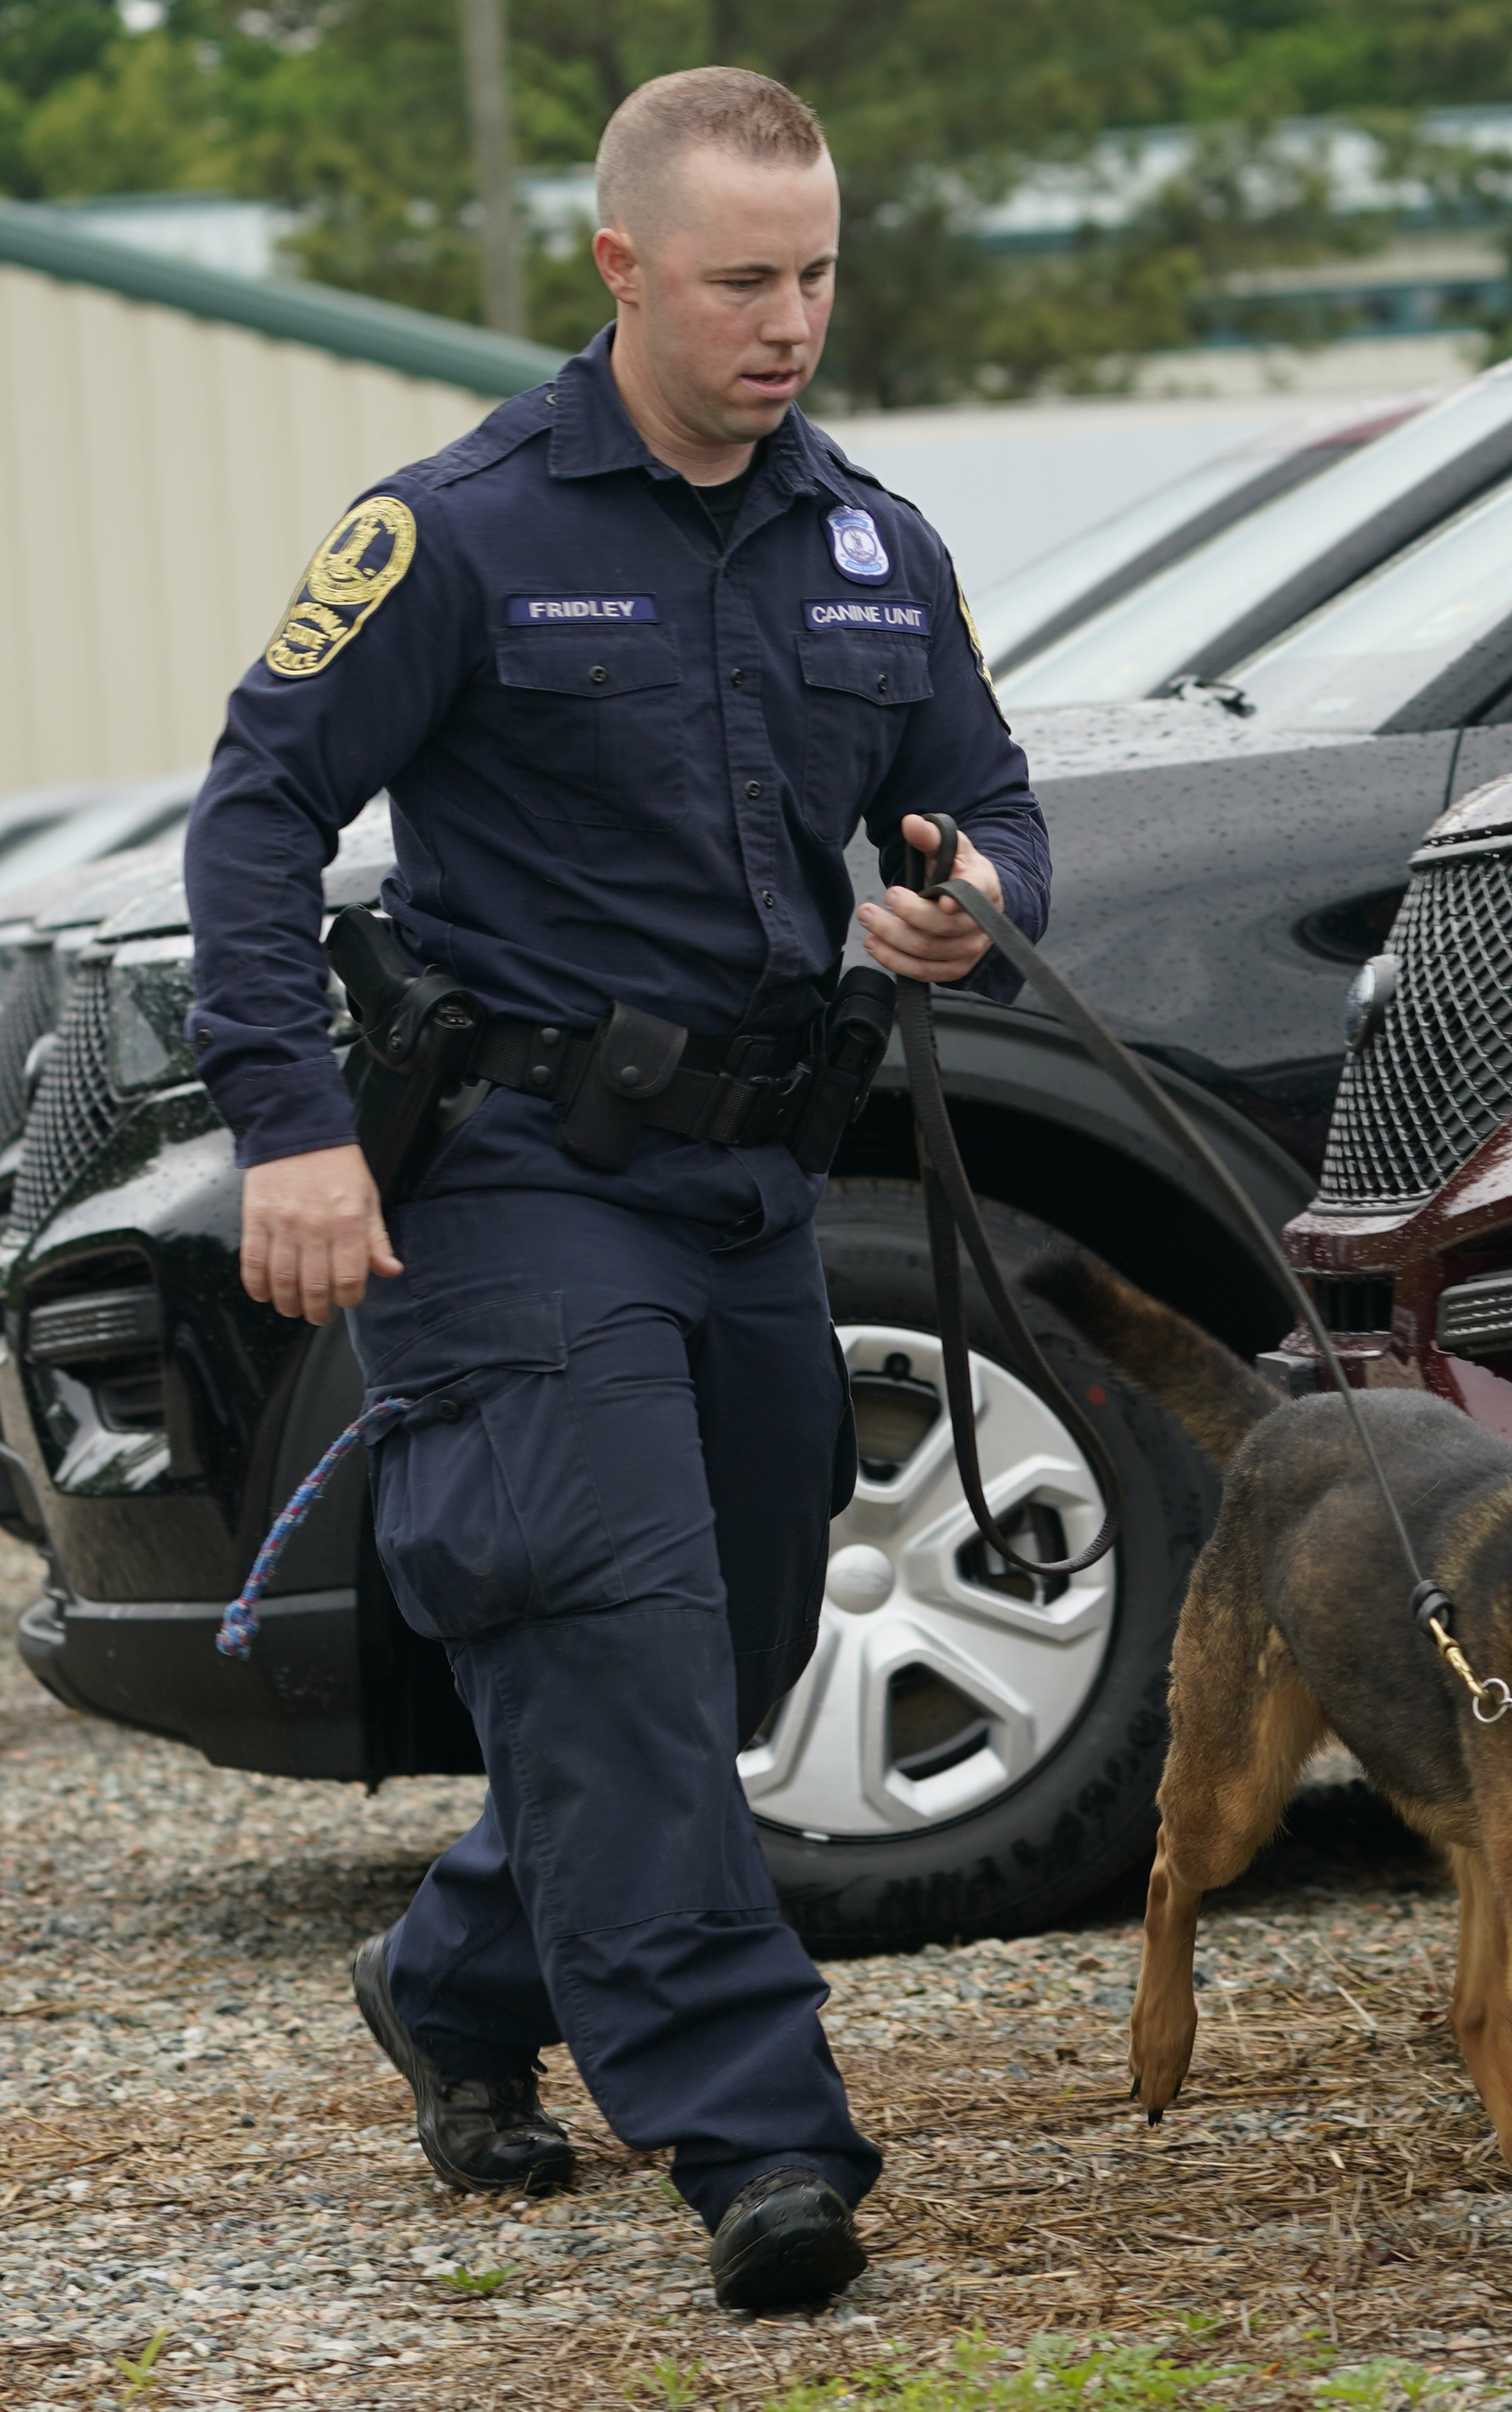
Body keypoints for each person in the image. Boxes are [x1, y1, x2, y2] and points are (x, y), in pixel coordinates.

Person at [177, 64, 1048, 2315]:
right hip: (512, 1187)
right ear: (620, 269)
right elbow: (257, 818)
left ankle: (460, 1977)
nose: (790, 321)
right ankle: (760, 2139)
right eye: (744, 279)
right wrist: (285, 1121)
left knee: (727, 1651)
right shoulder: (456, 531)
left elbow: (981, 790)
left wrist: (971, 891)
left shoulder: (873, 541)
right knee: (614, 1638)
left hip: (750, 1179)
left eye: (819, 273)